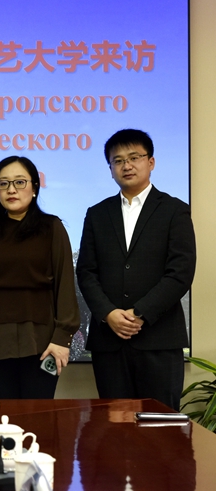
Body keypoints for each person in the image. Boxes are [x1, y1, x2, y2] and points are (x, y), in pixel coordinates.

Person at [77, 129, 196, 411]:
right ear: (110, 169)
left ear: (150, 162)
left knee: (160, 427)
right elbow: (86, 272)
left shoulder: (174, 210)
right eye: (118, 160)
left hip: (159, 340)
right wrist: (108, 313)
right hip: (110, 342)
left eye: (134, 157)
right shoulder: (97, 213)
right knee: (113, 426)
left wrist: (140, 313)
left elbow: (180, 272)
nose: (126, 165)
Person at [0, 156, 80, 399]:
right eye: (3, 183)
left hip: (43, 340)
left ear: (34, 187)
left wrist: (62, 338)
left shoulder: (52, 227)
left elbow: (65, 284)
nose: (11, 190)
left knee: (39, 414)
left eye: (19, 182)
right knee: (4, 414)